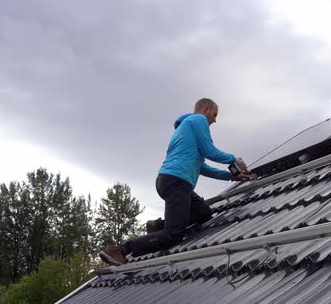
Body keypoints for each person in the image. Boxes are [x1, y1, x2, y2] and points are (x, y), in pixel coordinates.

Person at [99, 98, 250, 266]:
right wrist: (233, 159)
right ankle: (121, 250)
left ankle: (158, 227)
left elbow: (203, 167)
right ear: (206, 109)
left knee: (203, 213)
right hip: (177, 182)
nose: (215, 120)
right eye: (214, 114)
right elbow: (210, 151)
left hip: (170, 181)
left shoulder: (187, 129)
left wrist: (230, 176)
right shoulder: (198, 120)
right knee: (174, 235)